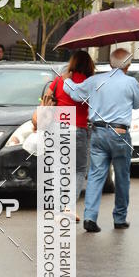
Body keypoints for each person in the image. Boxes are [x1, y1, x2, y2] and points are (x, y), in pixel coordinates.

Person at [64, 48, 139, 233]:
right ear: (128, 65)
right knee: (122, 177)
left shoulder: (95, 80)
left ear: (109, 63)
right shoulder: (130, 82)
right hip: (120, 133)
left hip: (98, 132)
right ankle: (119, 218)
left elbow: (74, 93)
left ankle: (90, 217)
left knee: (95, 175)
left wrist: (66, 79)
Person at [48, 50, 95, 222]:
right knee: (79, 170)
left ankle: (58, 209)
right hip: (77, 128)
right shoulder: (90, 83)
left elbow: (47, 97)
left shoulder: (60, 79)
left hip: (56, 126)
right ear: (89, 65)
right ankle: (68, 207)